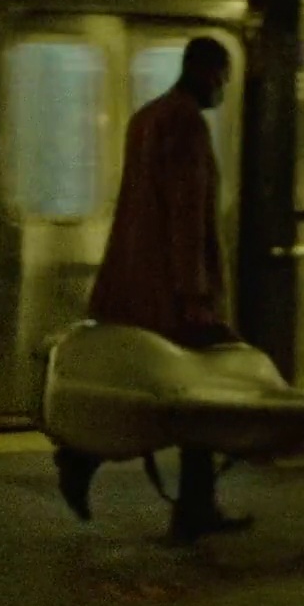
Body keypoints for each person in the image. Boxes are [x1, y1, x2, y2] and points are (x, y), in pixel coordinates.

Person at [56, 36, 254, 542]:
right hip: (171, 290)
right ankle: (89, 460)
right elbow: (186, 213)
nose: (223, 90)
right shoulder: (186, 122)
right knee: (203, 393)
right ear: (206, 71)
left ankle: (192, 504)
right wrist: (195, 296)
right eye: (223, 78)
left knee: (172, 394)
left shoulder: (147, 116)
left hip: (135, 279)